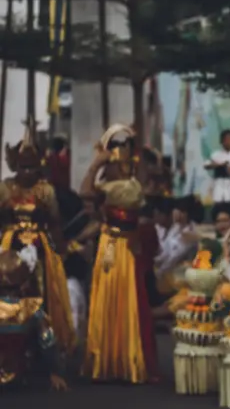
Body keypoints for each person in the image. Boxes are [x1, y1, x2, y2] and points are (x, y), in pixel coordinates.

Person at [81, 125, 159, 383]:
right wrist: (96, 164)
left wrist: (141, 149)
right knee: (107, 297)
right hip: (110, 244)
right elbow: (85, 192)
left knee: (133, 301)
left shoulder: (137, 175)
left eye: (125, 145)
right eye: (116, 145)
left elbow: (148, 186)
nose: (121, 151)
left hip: (130, 245)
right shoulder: (104, 176)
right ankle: (105, 362)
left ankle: (132, 361)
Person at [0, 121, 75, 353]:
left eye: (32, 167)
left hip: (39, 244)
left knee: (41, 289)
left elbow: (54, 223)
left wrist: (59, 250)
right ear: (15, 166)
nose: (27, 172)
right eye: (23, 167)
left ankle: (44, 342)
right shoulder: (5, 188)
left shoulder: (46, 190)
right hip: (10, 243)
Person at [205, 129, 230, 204]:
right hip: (219, 188)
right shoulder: (216, 155)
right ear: (221, 141)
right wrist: (219, 165)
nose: (228, 142)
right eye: (226, 140)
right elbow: (206, 165)